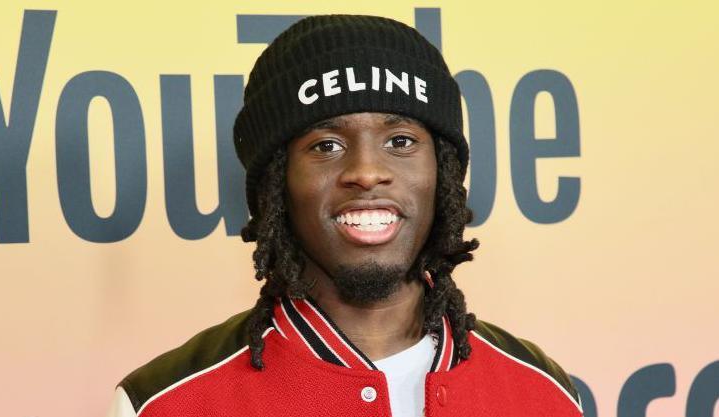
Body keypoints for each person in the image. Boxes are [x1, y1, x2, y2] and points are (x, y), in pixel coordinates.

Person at [106, 14, 583, 417]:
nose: (367, 172)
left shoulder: (545, 393)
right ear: (276, 184)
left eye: (401, 142)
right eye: (326, 146)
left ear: (443, 172)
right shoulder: (165, 403)